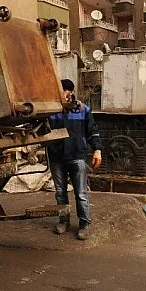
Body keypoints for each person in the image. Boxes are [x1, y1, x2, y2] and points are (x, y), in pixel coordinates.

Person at [47, 79, 102, 240]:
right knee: (60, 192)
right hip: (56, 156)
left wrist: (97, 149)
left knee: (81, 193)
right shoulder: (50, 110)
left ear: (69, 92)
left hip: (77, 156)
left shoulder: (82, 109)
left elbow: (92, 131)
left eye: (63, 90)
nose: (60, 94)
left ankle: (84, 223)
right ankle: (63, 221)